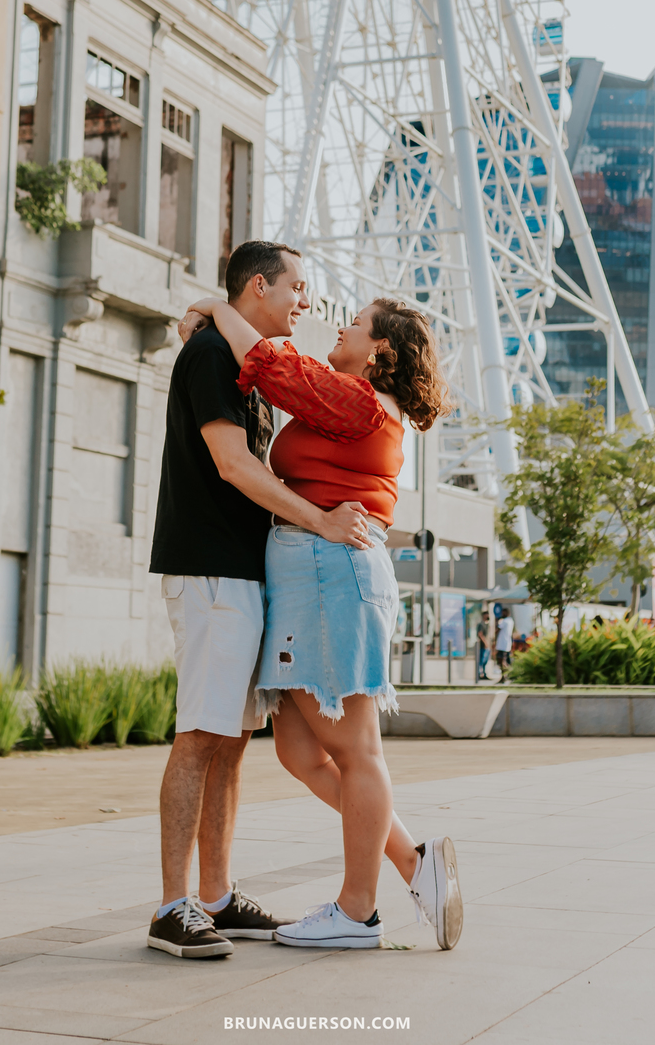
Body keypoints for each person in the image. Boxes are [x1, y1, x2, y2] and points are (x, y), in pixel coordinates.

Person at [180, 290, 462, 953]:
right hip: (311, 573)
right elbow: (288, 371)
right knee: (299, 751)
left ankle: (358, 911)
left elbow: (276, 369)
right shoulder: (348, 399)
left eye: (356, 324)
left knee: (354, 748)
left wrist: (217, 309)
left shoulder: (361, 401)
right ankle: (417, 866)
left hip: (329, 571)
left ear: (381, 352)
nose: (342, 325)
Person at [146, 241, 373, 961]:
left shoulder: (245, 364)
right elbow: (231, 463)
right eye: (297, 289)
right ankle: (171, 906)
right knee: (200, 736)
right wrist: (321, 521)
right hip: (210, 571)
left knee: (232, 742)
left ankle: (215, 895)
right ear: (258, 286)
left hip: (244, 576)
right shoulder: (211, 356)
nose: (305, 303)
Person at [494, 608, 514, 675]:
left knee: (501, 660)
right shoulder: (511, 621)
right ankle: (507, 674)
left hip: (502, 645)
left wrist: (497, 622)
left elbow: (497, 630)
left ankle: (505, 675)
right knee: (505, 660)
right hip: (507, 644)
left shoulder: (504, 621)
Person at [475, 615, 491, 682]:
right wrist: (485, 643)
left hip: (487, 646)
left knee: (485, 661)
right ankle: (479, 674)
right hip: (482, 646)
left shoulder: (487, 624)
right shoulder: (481, 624)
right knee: (481, 661)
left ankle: (484, 674)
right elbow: (480, 634)